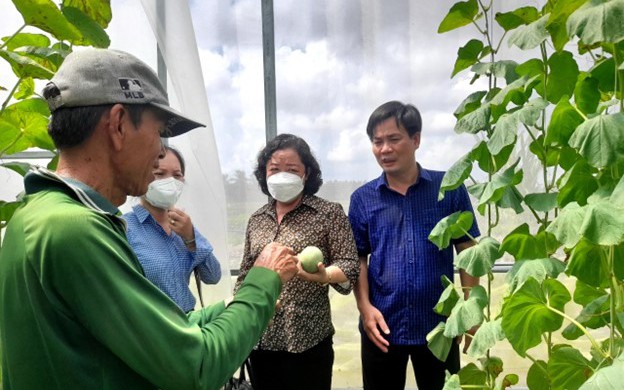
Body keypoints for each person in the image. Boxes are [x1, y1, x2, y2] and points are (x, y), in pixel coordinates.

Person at [0, 48, 298, 390]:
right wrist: (263, 281)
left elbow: (155, 333)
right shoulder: (75, 230)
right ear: (118, 124)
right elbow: (196, 367)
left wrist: (232, 309)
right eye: (158, 132)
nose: (160, 150)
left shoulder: (34, 213)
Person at [348, 101, 481, 390]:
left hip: (439, 325)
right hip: (381, 326)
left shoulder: (448, 189)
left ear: (416, 139)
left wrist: (470, 311)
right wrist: (365, 308)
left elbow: (468, 250)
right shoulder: (362, 199)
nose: (385, 149)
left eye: (394, 139)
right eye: (377, 142)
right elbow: (358, 258)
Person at [234, 133, 360, 390]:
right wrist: (241, 316)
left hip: (308, 340)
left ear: (306, 174)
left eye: (292, 169)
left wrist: (325, 276)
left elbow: (349, 264)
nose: (282, 175)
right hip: (262, 339)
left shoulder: (328, 213)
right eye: (274, 169)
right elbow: (245, 273)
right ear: (264, 174)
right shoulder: (257, 219)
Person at [123, 145, 221, 312]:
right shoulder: (125, 228)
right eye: (159, 174)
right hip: (151, 329)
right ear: (142, 175)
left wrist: (191, 238)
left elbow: (213, 276)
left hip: (188, 324)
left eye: (177, 175)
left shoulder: (183, 227)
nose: (170, 182)